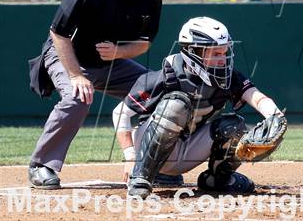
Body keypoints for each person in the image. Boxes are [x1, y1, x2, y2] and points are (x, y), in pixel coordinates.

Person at [28, 0, 163, 189]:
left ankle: (156, 165)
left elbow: (144, 44)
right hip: (69, 56)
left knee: (160, 91)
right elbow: (58, 34)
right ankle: (41, 165)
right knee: (79, 97)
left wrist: (119, 52)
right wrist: (76, 75)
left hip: (110, 61)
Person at [111, 17, 286, 198]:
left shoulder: (227, 77)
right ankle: (141, 177)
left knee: (235, 127)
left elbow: (255, 96)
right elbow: (120, 113)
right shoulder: (166, 75)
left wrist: (276, 116)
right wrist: (131, 157)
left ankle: (216, 180)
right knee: (175, 105)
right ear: (192, 52)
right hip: (146, 149)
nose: (223, 59)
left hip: (187, 149)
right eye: (215, 54)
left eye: (224, 52)